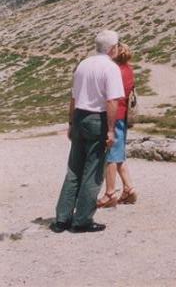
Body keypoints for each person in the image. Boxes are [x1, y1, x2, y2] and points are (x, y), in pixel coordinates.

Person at [50, 29, 124, 234]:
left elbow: (73, 97)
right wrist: (111, 130)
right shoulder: (111, 68)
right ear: (113, 48)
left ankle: (62, 218)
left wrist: (71, 122)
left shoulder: (83, 64)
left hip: (79, 116)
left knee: (74, 169)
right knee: (93, 171)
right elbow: (112, 101)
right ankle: (82, 219)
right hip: (97, 119)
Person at [97, 42, 138, 207]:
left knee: (111, 156)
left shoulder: (115, 71)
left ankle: (110, 193)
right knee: (119, 154)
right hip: (124, 115)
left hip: (115, 116)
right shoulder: (129, 70)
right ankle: (129, 188)